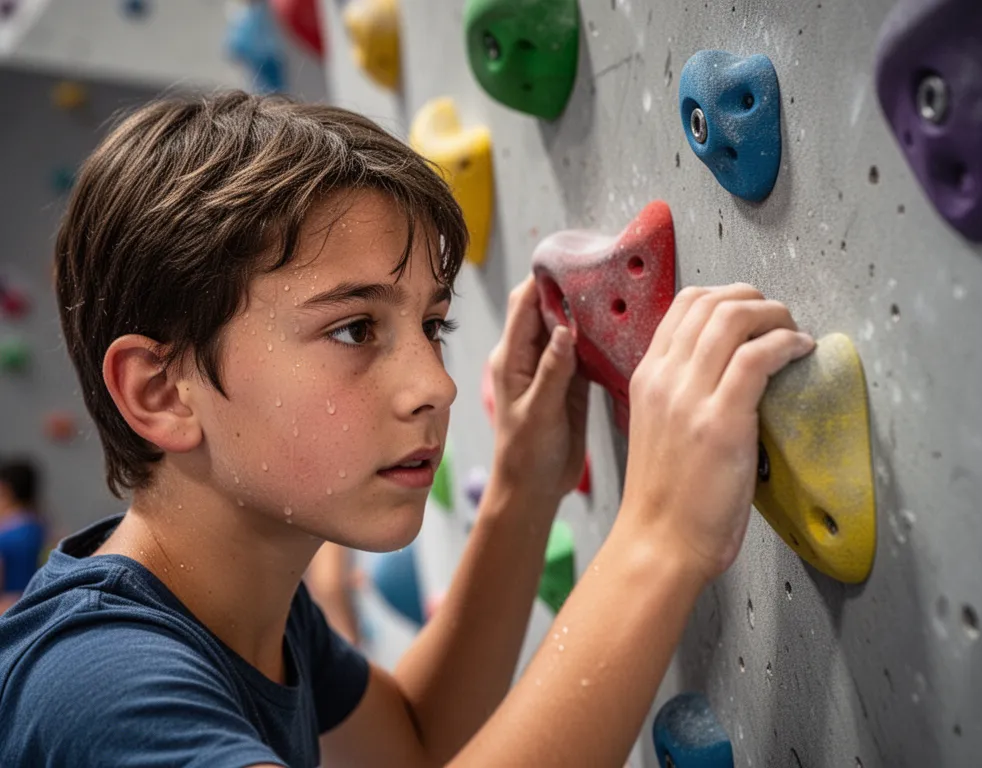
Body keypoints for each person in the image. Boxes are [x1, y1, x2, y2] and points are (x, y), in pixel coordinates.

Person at [0, 91, 815, 767]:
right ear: (162, 392)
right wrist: (659, 539)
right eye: (355, 330)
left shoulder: (243, 607)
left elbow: (415, 745)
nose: (436, 384)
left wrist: (524, 494)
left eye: (433, 325)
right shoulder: (99, 689)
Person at [0, 458, 46, 614]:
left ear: (6, 490)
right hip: (35, 604)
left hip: (7, 608)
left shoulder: (6, 536)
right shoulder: (41, 526)